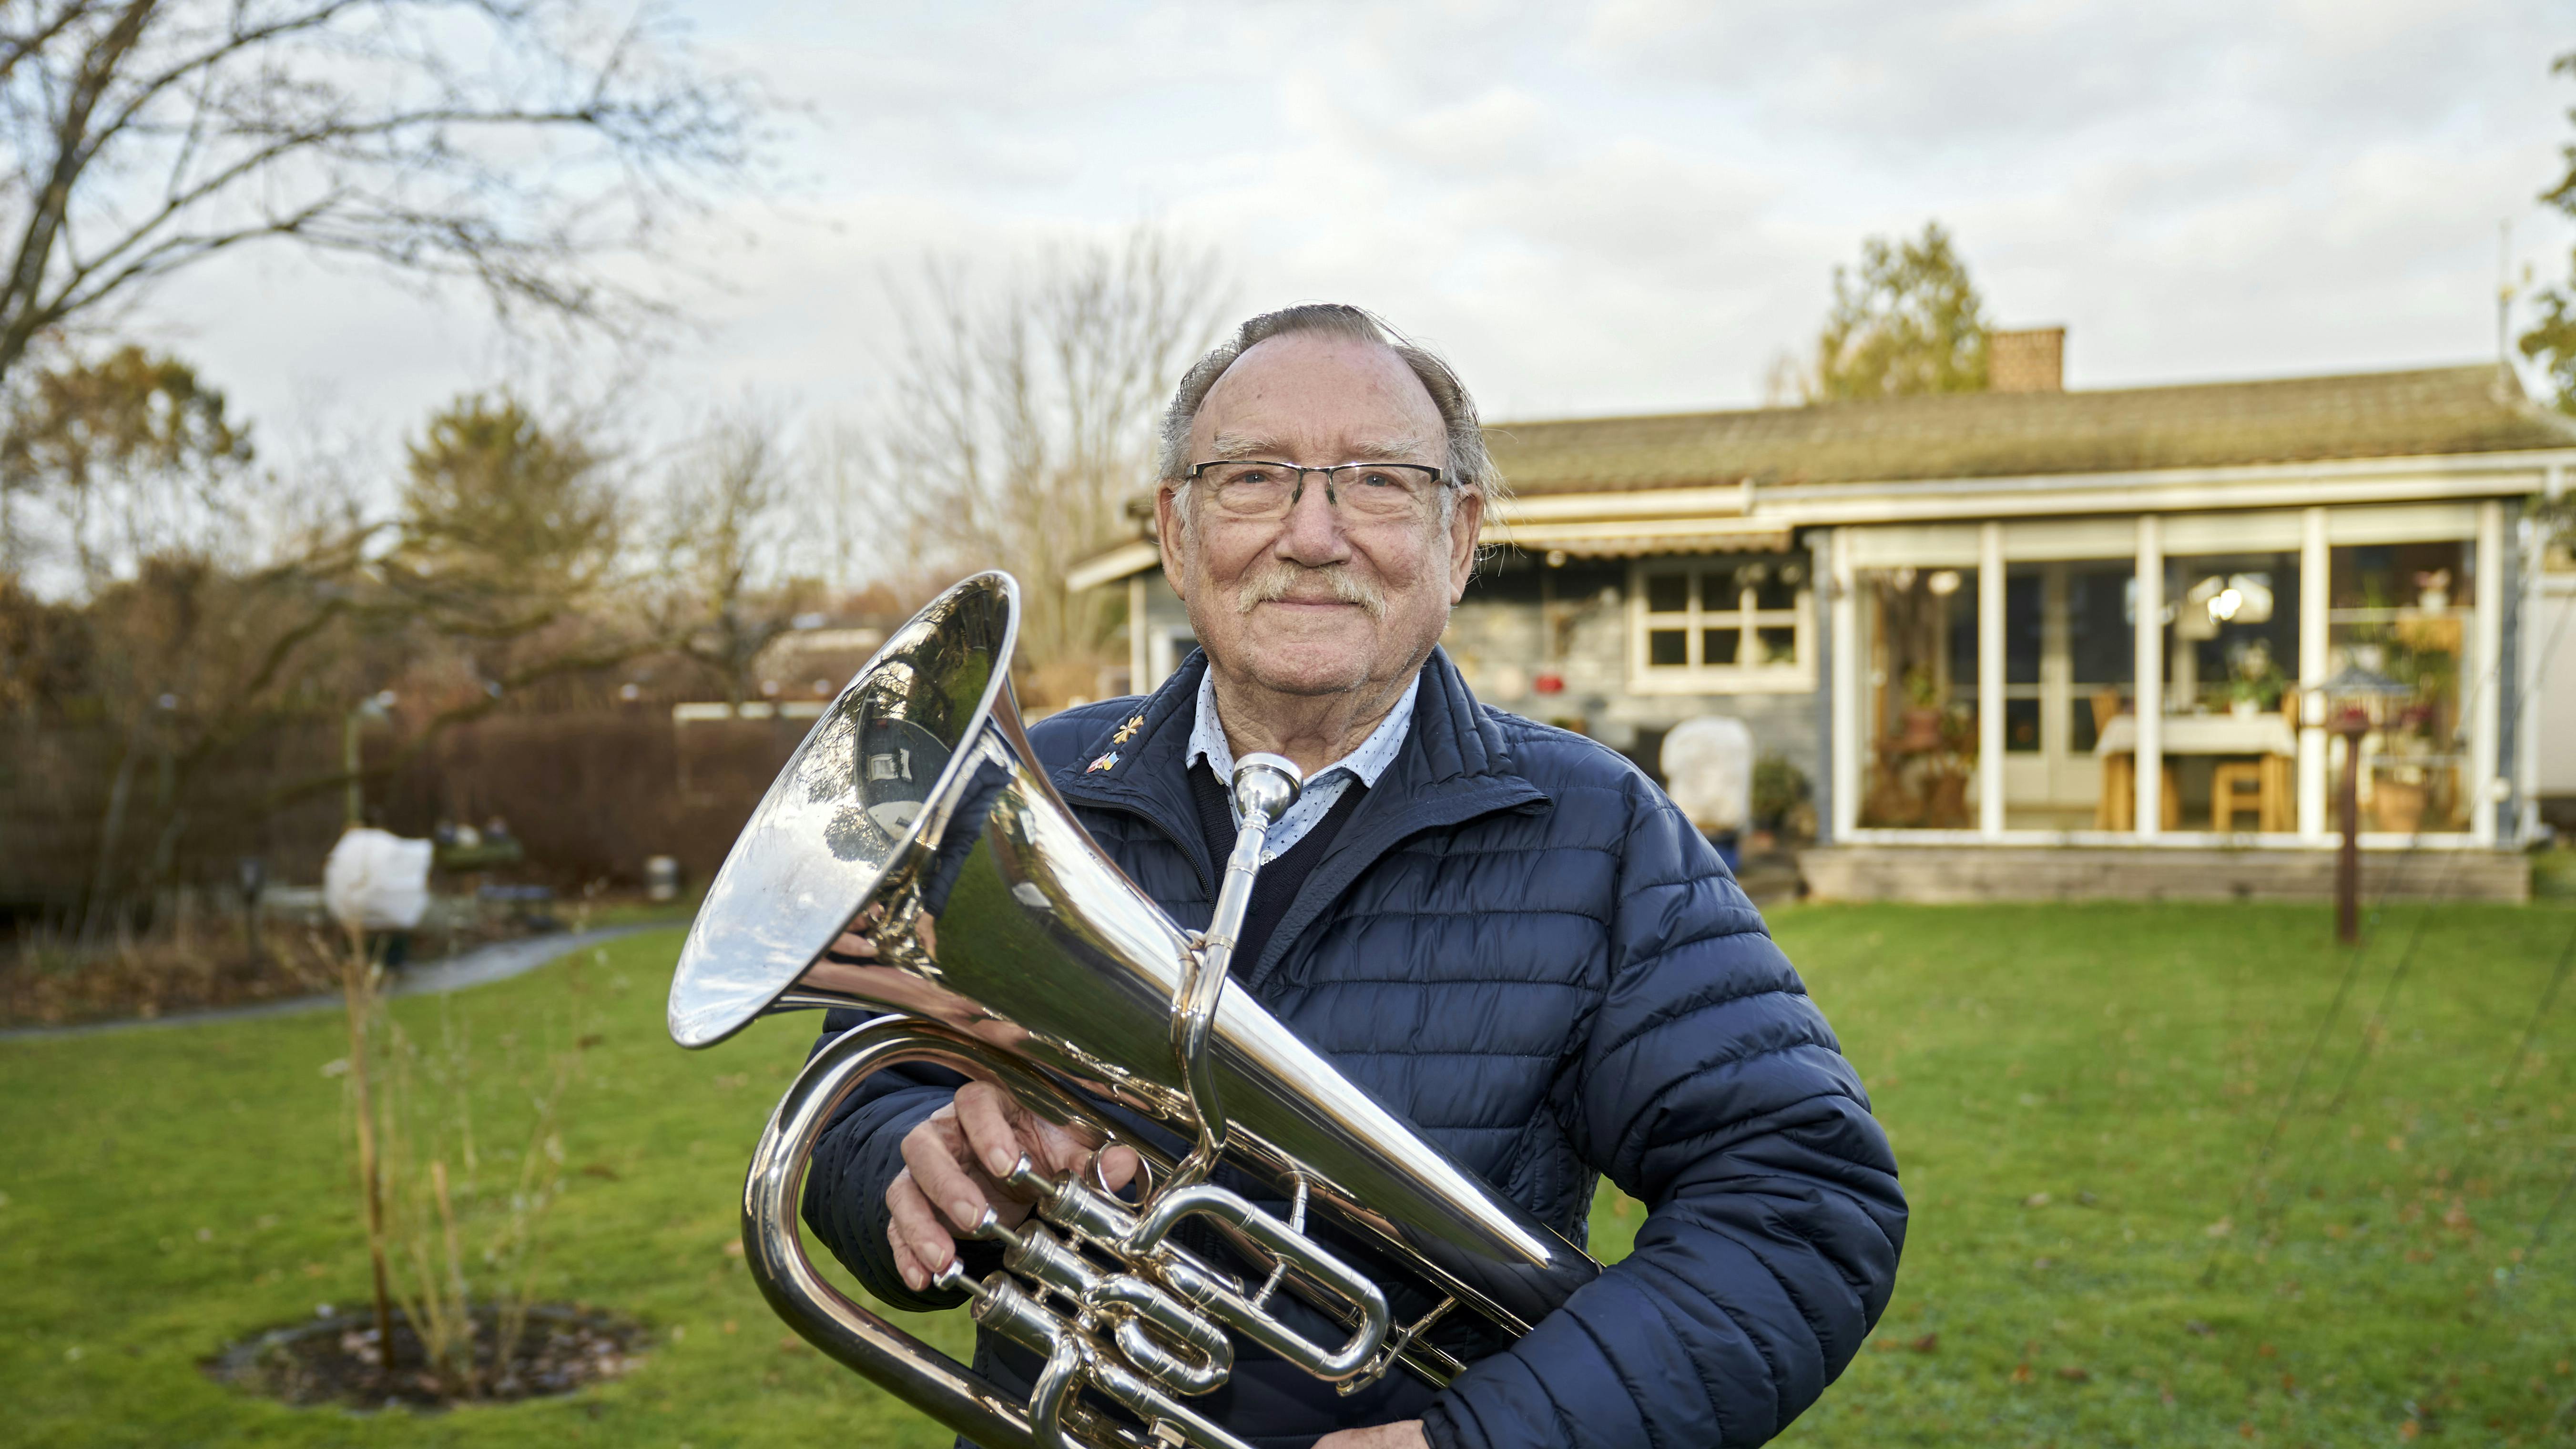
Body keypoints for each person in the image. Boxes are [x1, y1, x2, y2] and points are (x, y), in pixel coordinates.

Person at [801, 304, 1905, 1449]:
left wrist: (1489, 1439)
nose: (1313, 534)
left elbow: (1802, 1204)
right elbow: (859, 1095)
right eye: (1252, 477)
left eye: (1378, 480)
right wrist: (917, 1162)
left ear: (1459, 538)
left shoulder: (1599, 828)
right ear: (1177, 532)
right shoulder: (1037, 788)